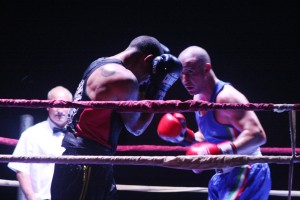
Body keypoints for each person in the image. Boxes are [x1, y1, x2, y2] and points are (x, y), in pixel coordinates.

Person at [50, 35, 182, 200]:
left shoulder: (99, 63)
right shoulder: (125, 79)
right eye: (148, 75)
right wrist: (159, 89)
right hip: (88, 163)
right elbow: (137, 127)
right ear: (147, 59)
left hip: (83, 159)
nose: (145, 81)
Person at [157, 46, 271, 200]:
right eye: (182, 74)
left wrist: (220, 151)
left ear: (206, 68)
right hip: (221, 176)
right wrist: (184, 137)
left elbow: (258, 135)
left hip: (246, 169)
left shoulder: (226, 97)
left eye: (190, 72)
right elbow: (207, 139)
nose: (185, 80)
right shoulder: (197, 99)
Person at [8, 86, 73, 200]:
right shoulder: (32, 134)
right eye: (56, 105)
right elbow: (21, 169)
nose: (60, 111)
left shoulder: (78, 136)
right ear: (47, 106)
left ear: (72, 107)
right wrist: (31, 197)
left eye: (65, 105)